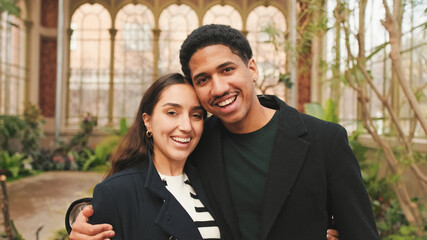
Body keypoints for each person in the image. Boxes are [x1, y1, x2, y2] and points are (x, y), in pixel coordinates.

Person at [68, 24, 377, 239]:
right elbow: (149, 187)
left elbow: (360, 231)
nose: (219, 87)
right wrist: (81, 216)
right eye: (203, 79)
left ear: (252, 68)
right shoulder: (197, 139)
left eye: (227, 70)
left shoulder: (325, 140)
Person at [68, 73, 221, 239]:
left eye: (196, 115)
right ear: (147, 121)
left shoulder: (212, 181)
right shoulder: (117, 191)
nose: (186, 126)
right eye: (172, 112)